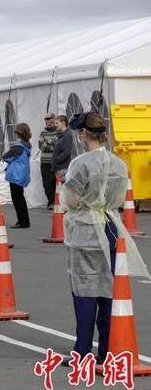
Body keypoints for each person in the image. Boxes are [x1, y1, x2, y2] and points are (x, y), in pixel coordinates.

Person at [60, 111, 149, 364]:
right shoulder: (119, 164)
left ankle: (82, 351)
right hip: (111, 227)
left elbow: (70, 198)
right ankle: (108, 348)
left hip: (85, 228)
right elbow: (119, 199)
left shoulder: (81, 163)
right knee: (109, 289)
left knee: (85, 291)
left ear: (83, 134)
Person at [2, 123, 32, 229]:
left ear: (18, 133)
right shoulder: (27, 144)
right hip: (23, 174)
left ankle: (22, 221)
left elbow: (5, 156)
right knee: (21, 198)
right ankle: (25, 221)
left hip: (16, 175)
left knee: (17, 199)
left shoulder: (17, 147)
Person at [38, 113, 58, 209]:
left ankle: (56, 202)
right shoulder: (43, 133)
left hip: (55, 161)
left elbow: (57, 146)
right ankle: (50, 202)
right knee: (46, 182)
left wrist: (48, 143)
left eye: (50, 118)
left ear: (54, 119)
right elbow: (41, 147)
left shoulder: (58, 132)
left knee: (55, 181)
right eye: (46, 119)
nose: (48, 120)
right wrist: (52, 143)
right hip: (45, 161)